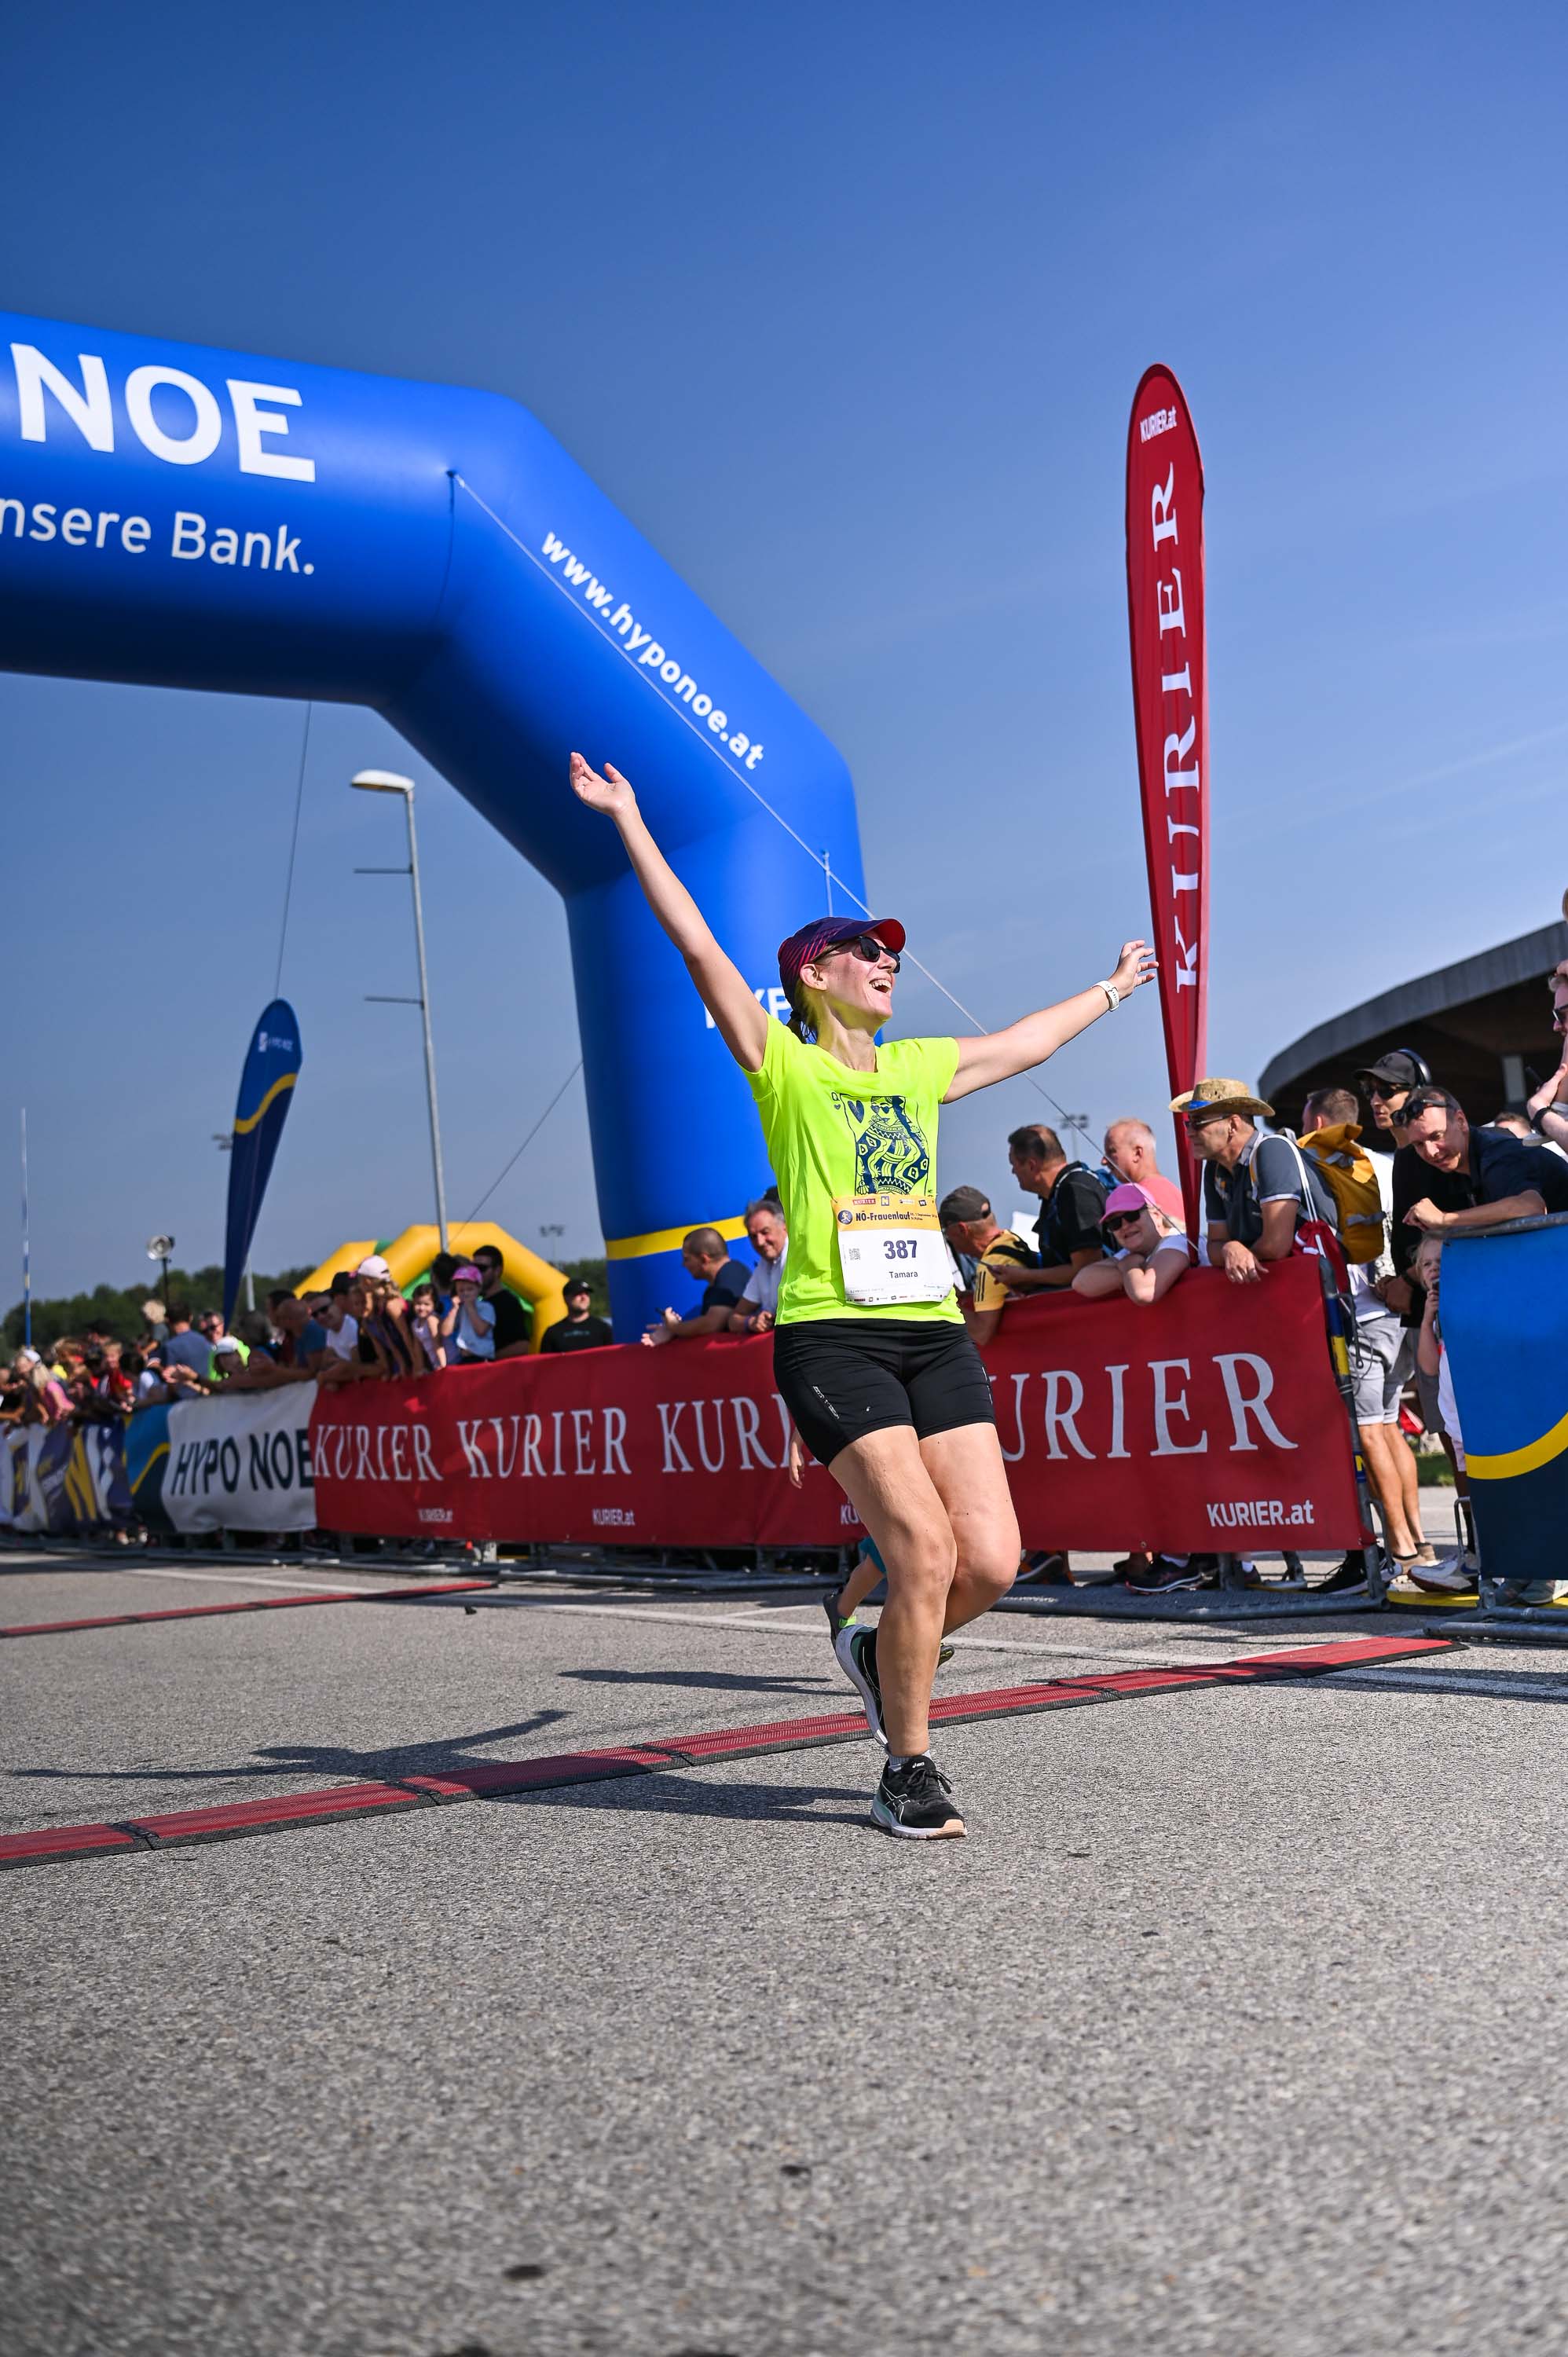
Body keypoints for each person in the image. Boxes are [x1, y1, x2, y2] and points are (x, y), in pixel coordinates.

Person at [570, 747, 1154, 1839]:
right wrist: (628, 820)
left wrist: (1113, 989)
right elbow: (696, 945)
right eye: (863, 951)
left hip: (931, 1333)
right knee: (922, 1549)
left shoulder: (917, 1067)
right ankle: (907, 1767)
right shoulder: (785, 1067)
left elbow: (1024, 1042)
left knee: (992, 1560)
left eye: (889, 952)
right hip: (833, 1337)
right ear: (813, 977)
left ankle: (878, 1650)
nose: (887, 961)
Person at [1299, 1087, 1438, 1589]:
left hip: (1364, 1310)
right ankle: (1418, 1541)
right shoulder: (1381, 1161)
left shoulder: (1320, 1162)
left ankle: (1400, 1549)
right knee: (1388, 1426)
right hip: (1398, 1311)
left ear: (1318, 1122)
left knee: (1369, 1430)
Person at [1173, 1079, 1337, 1282]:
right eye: (1188, 1123)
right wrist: (1229, 1248)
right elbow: (1215, 1245)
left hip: (1326, 1287)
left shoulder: (1272, 1150)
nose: (1189, 1132)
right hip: (1287, 1285)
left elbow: (1276, 1245)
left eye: (1198, 1123)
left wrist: (1237, 1253)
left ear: (1233, 1124)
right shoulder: (1214, 1169)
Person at [1401, 1086, 1568, 1231]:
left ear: (1461, 1121)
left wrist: (1444, 1219)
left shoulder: (1498, 1154)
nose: (1431, 1152)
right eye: (1419, 1144)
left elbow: (1531, 1207)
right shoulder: (1457, 1166)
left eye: (1437, 1136)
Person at [991, 1126, 1108, 1293]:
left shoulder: (1074, 1191)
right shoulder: (1056, 1194)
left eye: (1014, 1164)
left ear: (1031, 1165)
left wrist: (1025, 1276)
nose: (1013, 1171)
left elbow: (1087, 1269)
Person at [937, 1187, 1037, 1347]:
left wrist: (944, 1300)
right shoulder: (1010, 1239)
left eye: (946, 1232)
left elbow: (981, 1333)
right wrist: (967, 1296)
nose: (948, 1239)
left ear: (962, 1229)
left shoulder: (991, 1267)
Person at [643, 1227, 751, 1347]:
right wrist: (674, 1332)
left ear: (704, 1259)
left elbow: (712, 1323)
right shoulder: (717, 1284)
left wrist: (674, 1327)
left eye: (687, 1259)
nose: (683, 1265)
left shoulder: (732, 1272)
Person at [1102, 1118, 1186, 1225]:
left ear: (1137, 1153)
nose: (1104, 1161)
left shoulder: (1143, 1195)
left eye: (1111, 1152)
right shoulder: (1172, 1192)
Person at [727, 1198, 789, 1334]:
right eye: (753, 1236)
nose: (760, 1242)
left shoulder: (797, 1256)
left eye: (765, 1232)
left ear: (784, 1227)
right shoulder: (763, 1265)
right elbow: (734, 1319)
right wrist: (751, 1322)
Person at [472, 1246, 532, 1360]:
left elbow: (522, 1346)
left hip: (499, 1369)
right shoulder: (476, 1302)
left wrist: (489, 1358)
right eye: (474, 1269)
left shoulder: (508, 1303)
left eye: (482, 1268)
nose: (477, 1274)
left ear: (497, 1271)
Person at [540, 1275, 614, 1353]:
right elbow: (546, 1360)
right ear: (566, 1298)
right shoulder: (553, 1333)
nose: (584, 1297)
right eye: (578, 1293)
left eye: (586, 1294)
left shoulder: (603, 1329)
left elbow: (612, 1357)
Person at [441, 1265, 497, 1365]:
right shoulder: (461, 1309)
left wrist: (470, 1306)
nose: (466, 1293)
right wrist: (454, 1309)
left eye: (470, 1289)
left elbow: (481, 1331)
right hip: (465, 1357)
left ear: (479, 1288)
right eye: (461, 1290)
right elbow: (445, 1332)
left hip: (482, 1358)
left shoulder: (486, 1307)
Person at [159, 1305, 213, 1382]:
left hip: (184, 1388)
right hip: (209, 1386)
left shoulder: (169, 1347)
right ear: (190, 1318)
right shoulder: (207, 1341)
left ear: (168, 1321)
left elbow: (169, 1379)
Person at [409, 1279, 446, 1369]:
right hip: (436, 1364)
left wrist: (443, 1366)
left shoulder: (432, 1319)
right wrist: (420, 1368)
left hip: (447, 1360)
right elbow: (418, 1348)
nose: (422, 1308)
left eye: (426, 1304)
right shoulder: (415, 1324)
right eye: (418, 1303)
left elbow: (438, 1343)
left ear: (434, 1305)